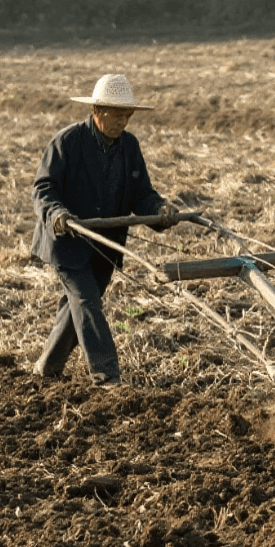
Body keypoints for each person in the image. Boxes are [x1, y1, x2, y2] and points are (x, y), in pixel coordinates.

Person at [30, 74, 179, 387]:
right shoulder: (67, 142)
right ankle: (107, 374)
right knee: (86, 302)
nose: (122, 122)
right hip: (67, 242)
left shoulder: (130, 147)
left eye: (127, 115)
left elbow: (142, 195)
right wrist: (57, 213)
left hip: (105, 243)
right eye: (116, 114)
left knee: (78, 306)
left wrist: (160, 211)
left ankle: (46, 367)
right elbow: (44, 188)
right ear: (97, 111)